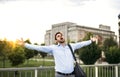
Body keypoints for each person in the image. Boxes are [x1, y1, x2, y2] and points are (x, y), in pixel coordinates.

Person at [17, 32, 98, 77]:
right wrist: (25, 44)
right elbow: (39, 48)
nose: (61, 36)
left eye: (61, 35)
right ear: (56, 40)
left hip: (71, 75)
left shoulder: (71, 46)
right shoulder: (53, 48)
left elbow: (82, 44)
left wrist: (91, 41)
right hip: (60, 75)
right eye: (58, 36)